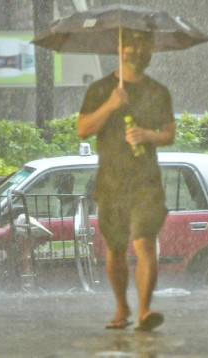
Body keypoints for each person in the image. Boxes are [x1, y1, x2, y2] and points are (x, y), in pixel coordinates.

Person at [77, 30, 175, 331]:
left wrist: (148, 135)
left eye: (143, 45)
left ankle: (145, 310)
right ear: (119, 48)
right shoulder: (100, 89)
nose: (138, 51)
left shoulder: (158, 91)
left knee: (145, 242)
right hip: (112, 182)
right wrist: (110, 105)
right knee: (116, 247)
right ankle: (122, 308)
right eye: (131, 44)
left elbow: (169, 134)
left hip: (146, 183)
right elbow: (82, 129)